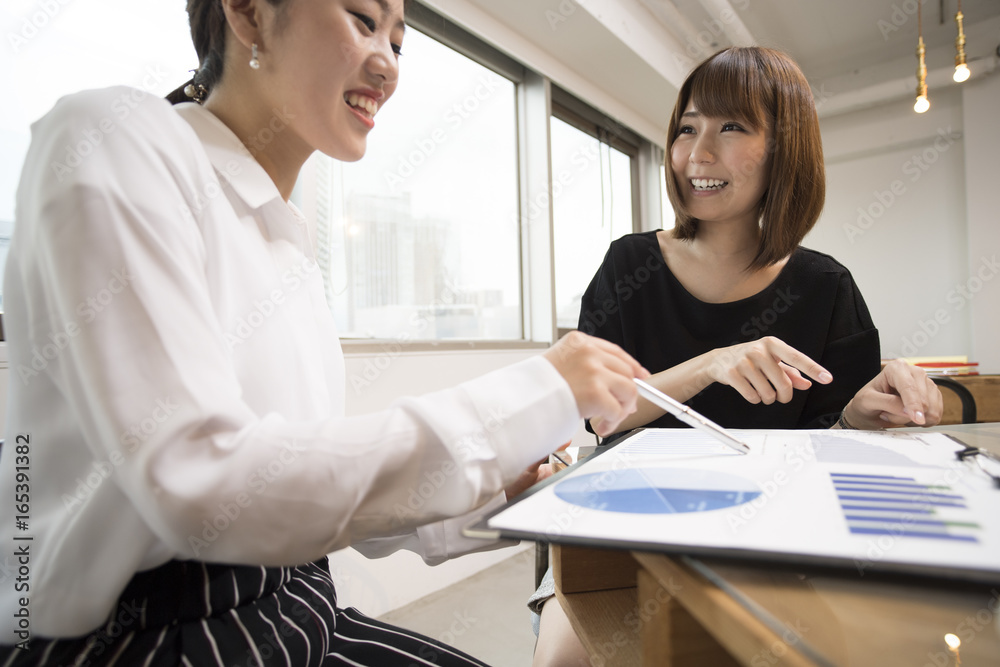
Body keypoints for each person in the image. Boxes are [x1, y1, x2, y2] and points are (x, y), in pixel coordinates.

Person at [0, 0, 650, 664]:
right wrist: (535, 393)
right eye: (362, 19)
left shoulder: (286, 240)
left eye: (399, 43)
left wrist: (492, 494)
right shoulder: (113, 136)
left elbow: (300, 487)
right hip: (148, 636)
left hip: (296, 606)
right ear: (249, 15)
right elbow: (201, 482)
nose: (387, 66)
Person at [529, 46, 943, 666]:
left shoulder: (826, 287)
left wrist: (866, 413)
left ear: (785, 149)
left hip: (777, 538)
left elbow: (837, 440)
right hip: (629, 532)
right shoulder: (630, 264)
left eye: (732, 127)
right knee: (567, 658)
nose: (698, 154)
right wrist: (711, 363)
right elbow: (598, 415)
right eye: (687, 129)